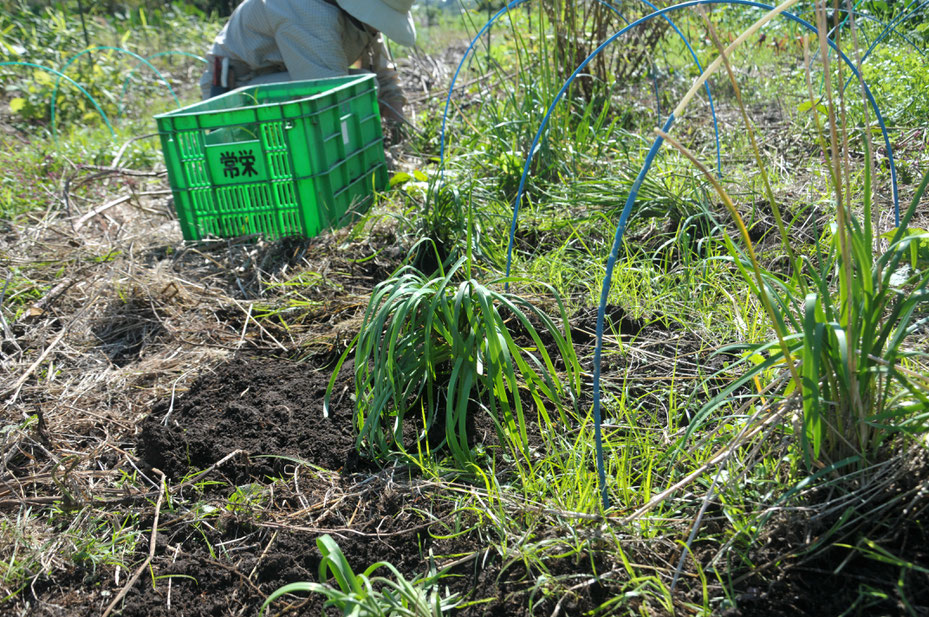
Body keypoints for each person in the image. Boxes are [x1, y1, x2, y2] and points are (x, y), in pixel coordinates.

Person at [199, 0, 414, 122]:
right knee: (360, 91)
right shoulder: (309, 12)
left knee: (366, 85)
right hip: (236, 92)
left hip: (281, 79)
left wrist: (398, 121)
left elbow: (382, 72)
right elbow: (330, 98)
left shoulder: (357, 17)